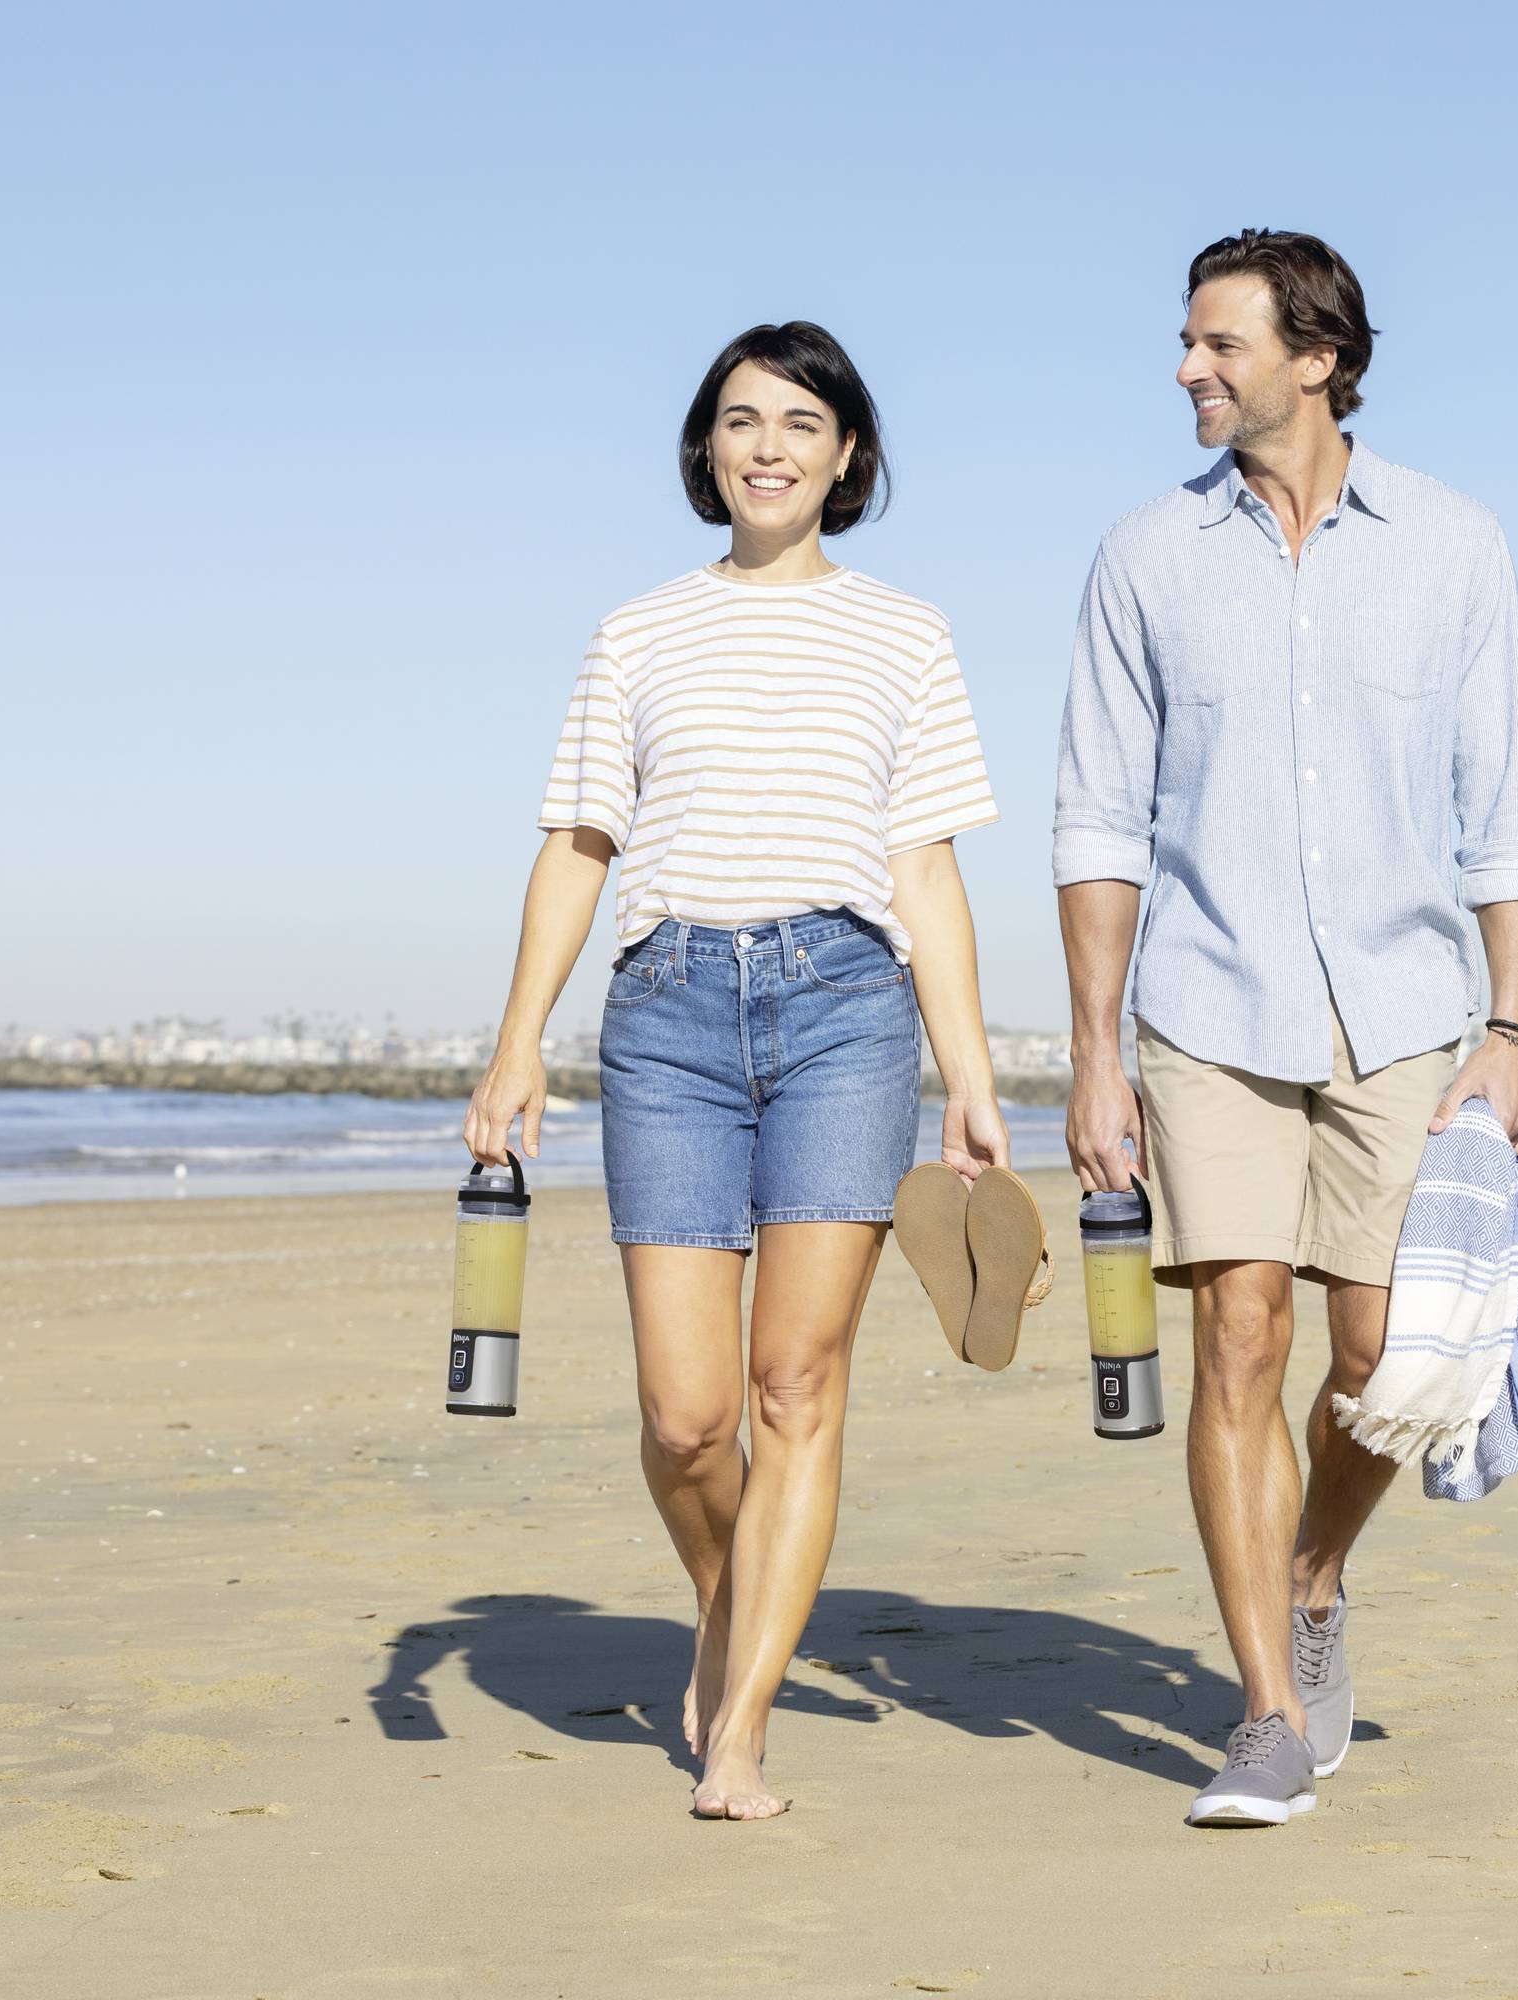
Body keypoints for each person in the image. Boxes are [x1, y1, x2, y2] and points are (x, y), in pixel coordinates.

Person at [463, 323, 1005, 1821]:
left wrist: (968, 1069)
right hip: (670, 1010)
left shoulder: (909, 632)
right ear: (707, 449)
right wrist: (516, 1045)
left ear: (849, 455)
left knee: (794, 1385)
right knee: (687, 1415)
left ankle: (741, 1730)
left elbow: (927, 871)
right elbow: (578, 847)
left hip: (846, 1004)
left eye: (802, 422)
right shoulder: (636, 631)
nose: (769, 445)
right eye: (741, 420)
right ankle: (727, 1593)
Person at [1053, 230, 1518, 1828]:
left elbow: (1510, 806)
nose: (1189, 369)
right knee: (1242, 1338)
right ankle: (1266, 1709)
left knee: (1382, 1360)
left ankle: (1315, 1568)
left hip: (1408, 1011)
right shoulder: (1145, 557)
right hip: (1206, 1006)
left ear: (1314, 356)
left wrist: (1513, 1027)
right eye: (1188, 343)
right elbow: (1096, 824)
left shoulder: (1455, 545)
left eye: (1217, 343)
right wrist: (1091, 1051)